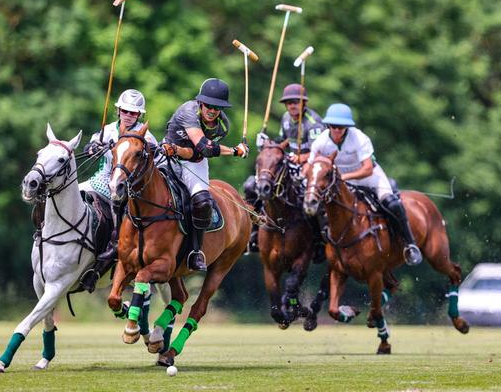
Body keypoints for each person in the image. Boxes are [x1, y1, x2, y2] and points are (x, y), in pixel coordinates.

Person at [305, 103, 422, 266]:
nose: (337, 130)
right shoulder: (321, 142)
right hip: (343, 181)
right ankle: (320, 245)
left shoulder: (359, 138)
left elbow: (367, 169)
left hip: (370, 177)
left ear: (347, 127)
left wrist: (344, 177)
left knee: (393, 204)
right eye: (333, 126)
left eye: (341, 127)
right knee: (320, 207)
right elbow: (310, 165)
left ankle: (409, 244)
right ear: (328, 126)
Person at [161, 78, 249, 271]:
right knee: (135, 184)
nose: (212, 110)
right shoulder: (188, 111)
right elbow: (205, 146)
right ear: (200, 103)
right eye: (208, 105)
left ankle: (195, 251)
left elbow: (199, 153)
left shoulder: (222, 126)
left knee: (202, 203)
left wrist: (186, 152)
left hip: (194, 162)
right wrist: (236, 151)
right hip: (167, 155)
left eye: (217, 107)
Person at [79, 89, 159, 292]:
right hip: (100, 181)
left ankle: (99, 267)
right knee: (70, 195)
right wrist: (92, 147)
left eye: (134, 113)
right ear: (118, 110)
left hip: (128, 190)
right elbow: (89, 147)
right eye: (125, 111)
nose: (129, 115)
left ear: (139, 115)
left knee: (119, 223)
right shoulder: (107, 130)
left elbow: (154, 157)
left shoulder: (145, 135)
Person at [244, 83, 325, 254]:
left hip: (309, 165)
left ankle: (319, 241)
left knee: (310, 195)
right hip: (288, 162)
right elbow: (283, 140)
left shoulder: (314, 123)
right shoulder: (286, 119)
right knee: (253, 186)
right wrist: (267, 143)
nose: (292, 106)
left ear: (304, 103)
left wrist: (299, 157)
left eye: (296, 102)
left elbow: (318, 152)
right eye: (289, 103)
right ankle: (253, 232)